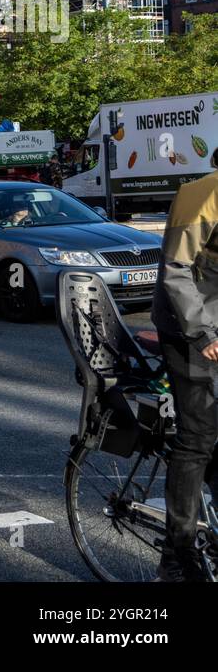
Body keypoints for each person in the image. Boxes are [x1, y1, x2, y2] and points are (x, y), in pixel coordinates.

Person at [151, 159, 218, 582]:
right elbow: (175, 271)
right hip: (190, 330)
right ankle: (176, 556)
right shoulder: (203, 193)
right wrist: (204, 334)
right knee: (197, 439)